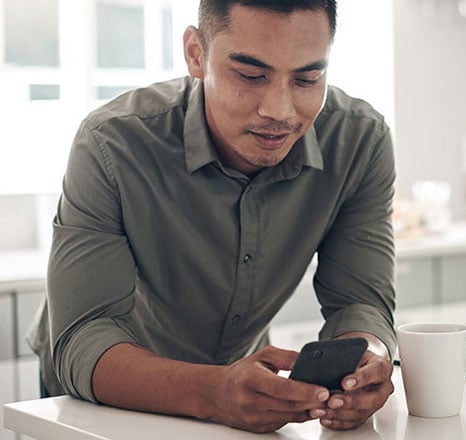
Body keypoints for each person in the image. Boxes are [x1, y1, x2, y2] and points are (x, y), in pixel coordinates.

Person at [28, 0, 397, 433]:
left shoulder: (360, 142)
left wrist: (367, 362)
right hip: (104, 398)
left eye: (307, 78)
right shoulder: (112, 144)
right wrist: (215, 392)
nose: (279, 110)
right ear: (196, 54)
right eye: (251, 75)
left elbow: (360, 303)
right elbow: (83, 339)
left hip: (232, 397)